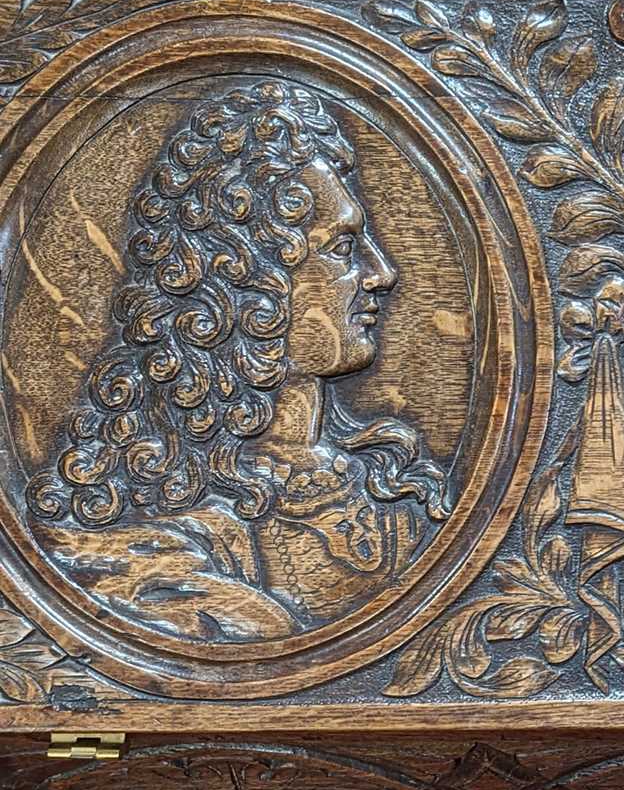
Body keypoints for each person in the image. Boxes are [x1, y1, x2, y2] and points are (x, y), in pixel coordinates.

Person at [26, 82, 451, 641]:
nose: (382, 272)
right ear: (248, 288)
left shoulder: (390, 485)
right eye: (344, 248)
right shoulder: (171, 534)